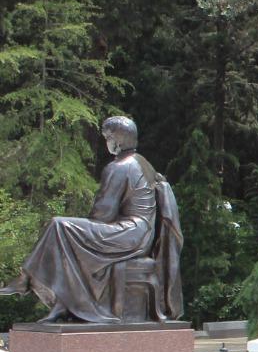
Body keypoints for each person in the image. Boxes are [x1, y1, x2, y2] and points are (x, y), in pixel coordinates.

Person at [0, 115, 182, 323]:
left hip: (129, 233)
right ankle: (60, 303)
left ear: (118, 140)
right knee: (64, 232)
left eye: (108, 138)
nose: (107, 143)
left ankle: (28, 280)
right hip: (140, 235)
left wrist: (84, 226)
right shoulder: (142, 162)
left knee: (59, 225)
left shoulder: (120, 166)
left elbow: (102, 214)